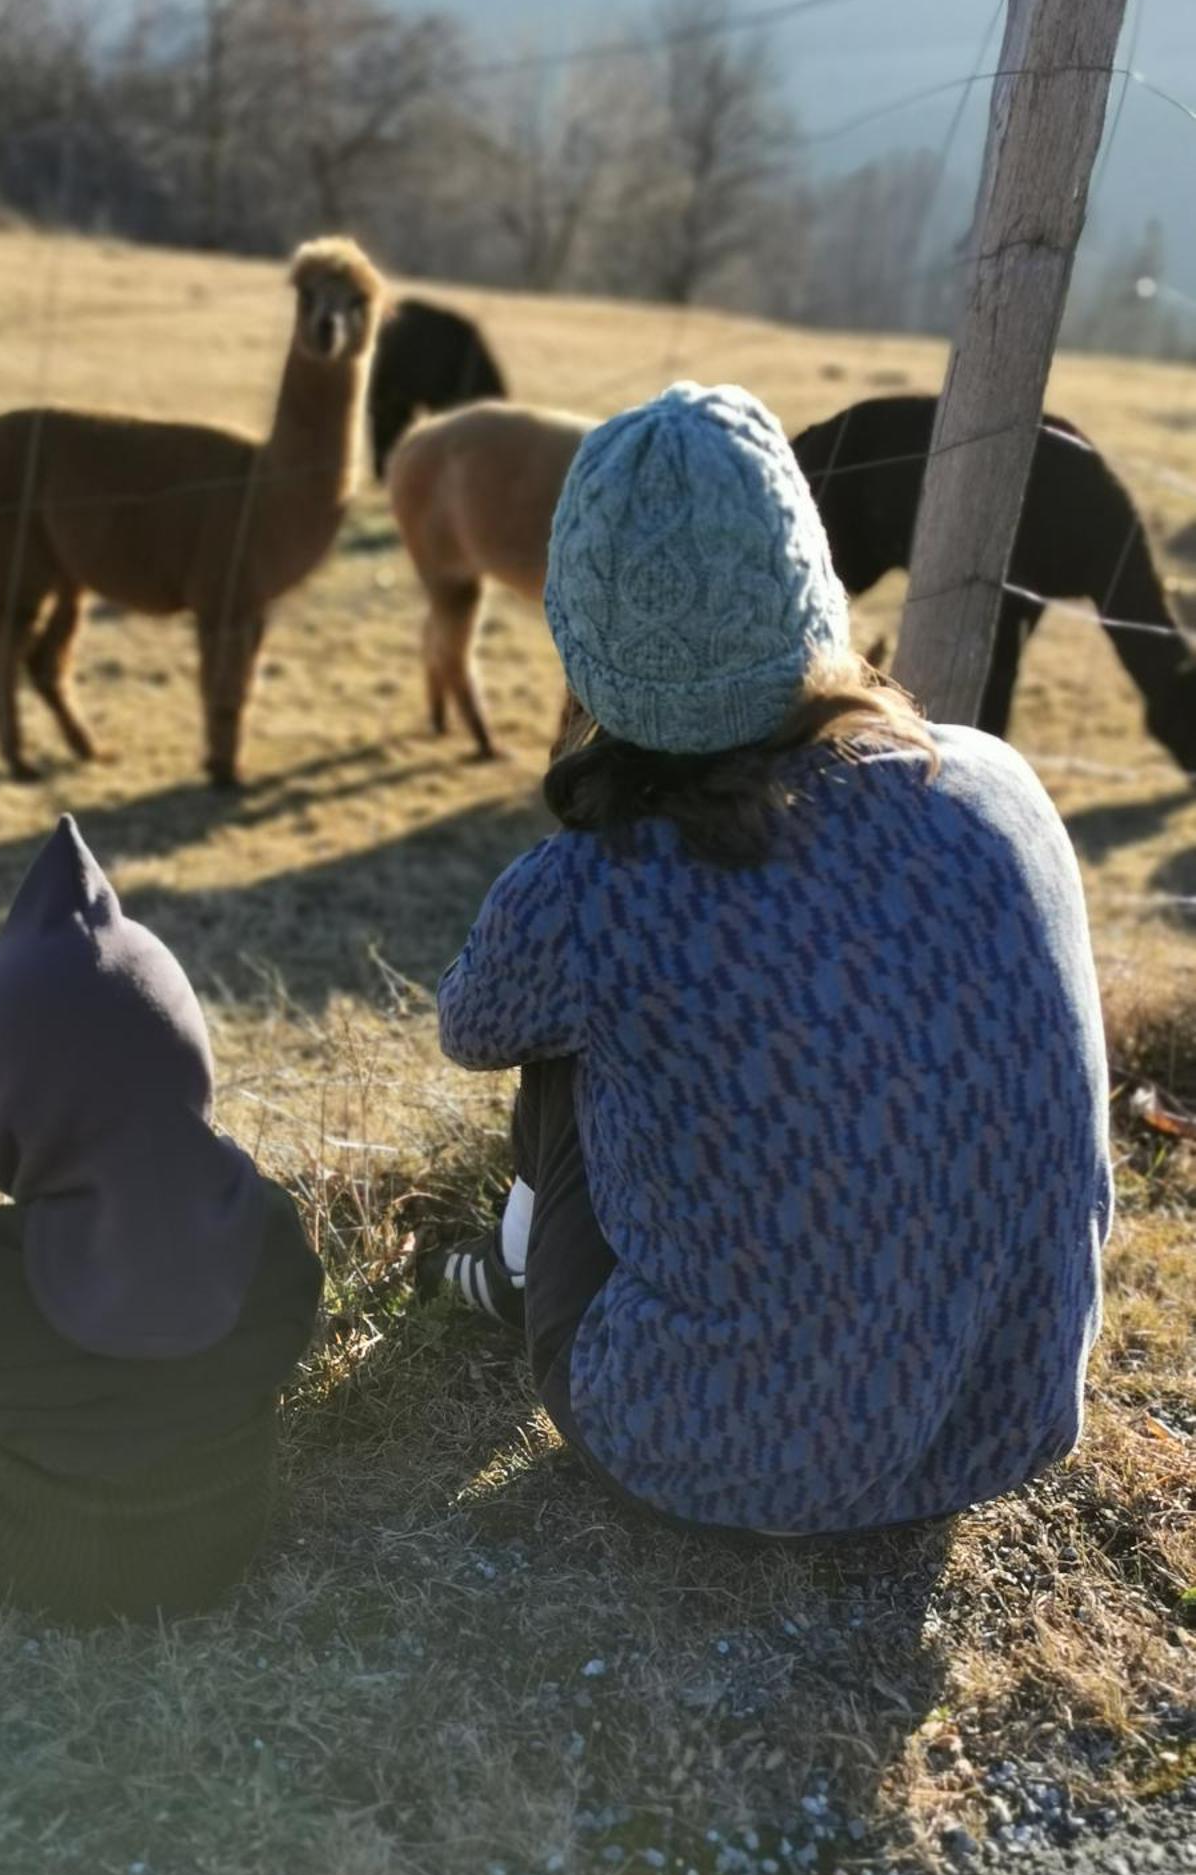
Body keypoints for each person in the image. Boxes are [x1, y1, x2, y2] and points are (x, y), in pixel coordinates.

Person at [422, 382, 1112, 1538]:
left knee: (560, 1038)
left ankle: (519, 1273)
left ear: (586, 627)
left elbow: (470, 1024)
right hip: (1011, 1408)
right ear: (810, 583)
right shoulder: (998, 780)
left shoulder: (593, 887)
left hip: (718, 1454)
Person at [0, 815, 321, 1623]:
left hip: (29, 1561)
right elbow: (291, 1334)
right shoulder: (263, 1221)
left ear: (3, 1103)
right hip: (218, 1544)